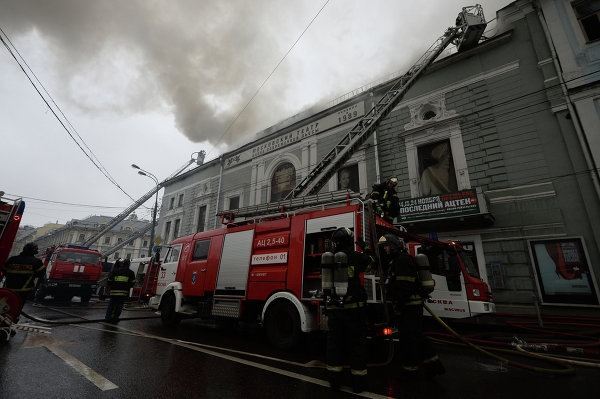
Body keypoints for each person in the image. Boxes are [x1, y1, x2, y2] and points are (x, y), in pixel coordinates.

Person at [378, 234, 445, 377]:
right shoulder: (397, 260)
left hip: (409, 306)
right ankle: (433, 365)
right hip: (410, 306)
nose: (385, 249)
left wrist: (398, 306)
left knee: (409, 338)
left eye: (387, 246)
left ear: (394, 246)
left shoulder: (402, 260)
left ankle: (410, 370)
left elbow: (404, 286)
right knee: (415, 335)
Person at [322, 227, 373, 393]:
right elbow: (372, 262)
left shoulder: (329, 259)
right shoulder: (357, 257)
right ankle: (358, 384)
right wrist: (365, 248)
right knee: (357, 346)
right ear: (349, 241)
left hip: (335, 311)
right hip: (354, 312)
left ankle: (334, 381)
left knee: (334, 345)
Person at [1, 242, 45, 313]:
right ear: (34, 251)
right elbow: (41, 275)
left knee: (5, 307)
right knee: (17, 308)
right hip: (24, 290)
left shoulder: (12, 259)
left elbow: (4, 270)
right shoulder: (36, 262)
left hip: (9, 289)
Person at [105, 259, 136, 323]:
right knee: (119, 306)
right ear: (129, 265)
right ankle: (115, 318)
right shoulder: (131, 272)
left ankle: (108, 317)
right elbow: (132, 283)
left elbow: (109, 281)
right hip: (123, 292)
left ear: (123, 264)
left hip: (114, 291)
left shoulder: (115, 271)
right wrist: (127, 287)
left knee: (111, 305)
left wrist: (111, 287)